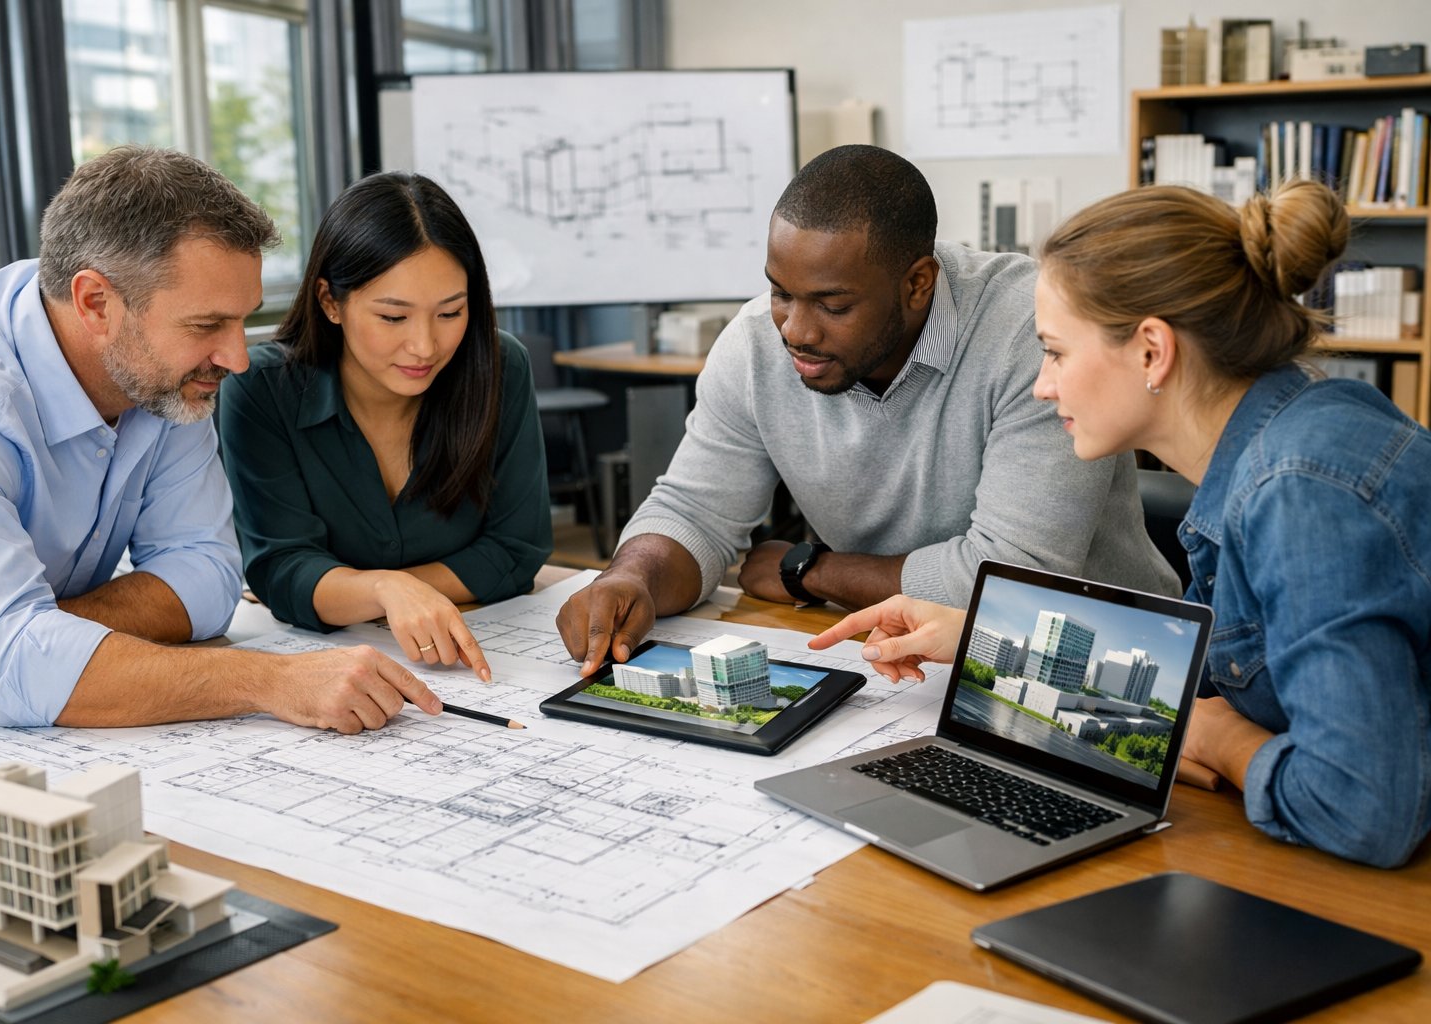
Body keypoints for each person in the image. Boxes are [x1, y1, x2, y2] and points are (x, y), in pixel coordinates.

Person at [815, 180, 1431, 868]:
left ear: (1151, 352)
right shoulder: (1284, 436)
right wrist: (980, 642)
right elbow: (1195, 686)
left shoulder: (1300, 493)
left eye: (1056, 352)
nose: (1044, 385)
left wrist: (1218, 739)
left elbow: (1362, 807)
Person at [557, 144, 1177, 674]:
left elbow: (1011, 579)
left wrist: (812, 571)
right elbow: (694, 511)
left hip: (1099, 662)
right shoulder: (755, 344)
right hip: (895, 659)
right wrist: (631, 576)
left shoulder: (1034, 335)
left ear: (917, 283)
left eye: (832, 304)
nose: (795, 330)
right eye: (780, 292)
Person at [0, 146, 442, 733]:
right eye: (207, 325)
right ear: (95, 303)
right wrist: (270, 680)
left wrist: (32, 628)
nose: (235, 358)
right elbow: (11, 666)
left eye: (242, 319)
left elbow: (207, 578)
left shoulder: (159, 375)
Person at [218, 172, 551, 675]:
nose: (425, 346)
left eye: (450, 313)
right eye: (393, 318)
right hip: (331, 668)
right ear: (331, 302)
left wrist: (392, 593)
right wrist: (387, 589)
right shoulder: (261, 388)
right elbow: (281, 570)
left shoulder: (501, 369)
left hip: (482, 648)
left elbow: (517, 548)